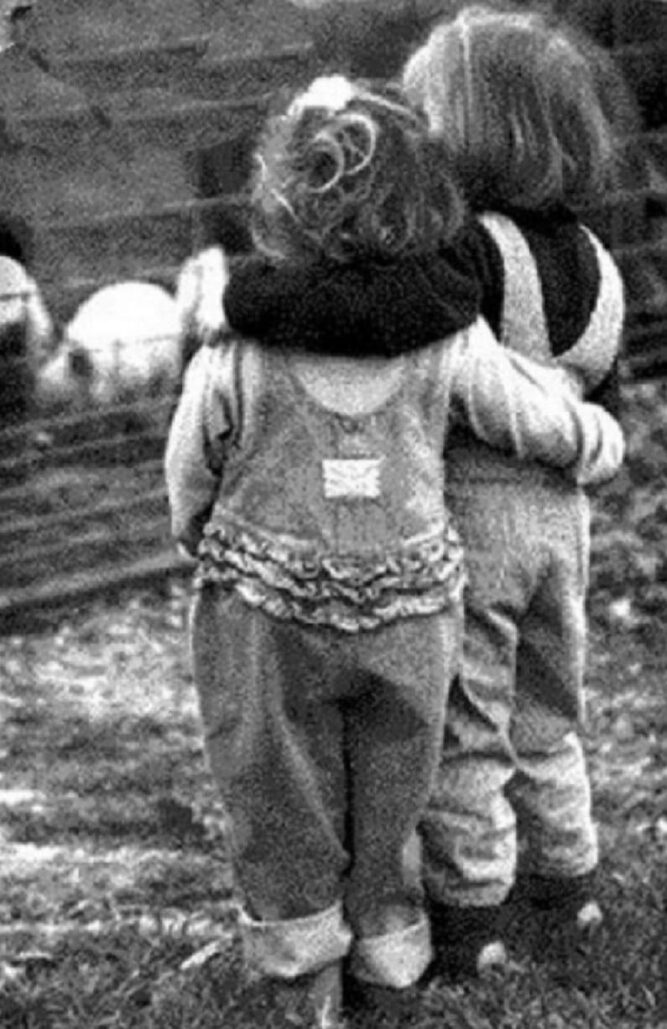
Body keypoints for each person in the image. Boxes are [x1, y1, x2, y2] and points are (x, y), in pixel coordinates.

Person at [165, 74, 623, 1027]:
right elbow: (529, 416)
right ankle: (392, 960)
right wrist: (597, 441)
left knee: (278, 787)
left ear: (276, 208)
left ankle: (303, 978)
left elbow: (190, 464)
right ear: (425, 207)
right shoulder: (446, 337)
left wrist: (196, 533)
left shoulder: (235, 348)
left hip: (268, 614)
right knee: (394, 793)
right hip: (408, 615)